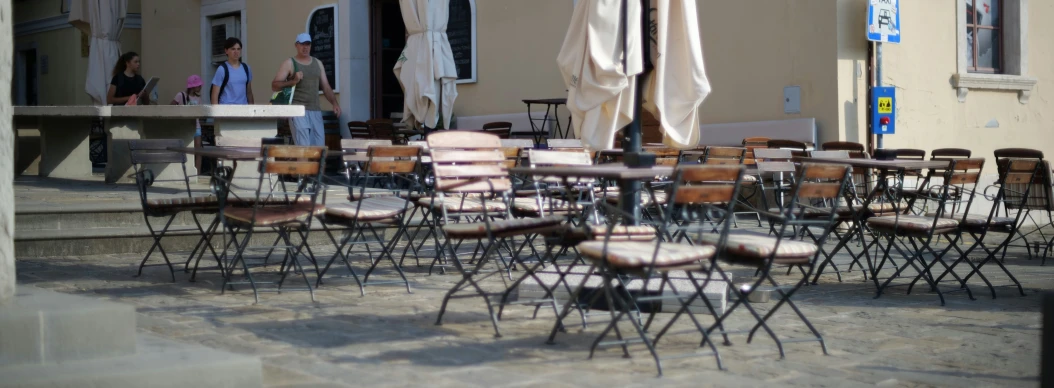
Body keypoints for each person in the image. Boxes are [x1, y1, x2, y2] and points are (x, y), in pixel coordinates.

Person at [271, 32, 340, 146]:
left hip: (315, 110)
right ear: (296, 45)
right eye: (302, 44)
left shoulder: (318, 63)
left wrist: (335, 103)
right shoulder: (289, 63)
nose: (305, 47)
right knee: (303, 149)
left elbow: (326, 87)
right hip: (297, 110)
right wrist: (293, 81)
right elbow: (274, 85)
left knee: (318, 149)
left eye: (308, 44)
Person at [210, 37, 254, 105]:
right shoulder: (222, 69)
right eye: (233, 49)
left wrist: (252, 111)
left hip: (243, 110)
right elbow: (214, 96)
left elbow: (249, 92)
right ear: (226, 51)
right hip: (226, 110)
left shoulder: (246, 68)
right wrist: (217, 114)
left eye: (238, 49)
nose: (236, 52)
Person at [171, 75, 205, 151]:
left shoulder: (198, 98)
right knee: (185, 149)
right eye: (199, 85)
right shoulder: (180, 95)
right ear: (193, 86)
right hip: (184, 125)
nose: (200, 87)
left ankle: (198, 163)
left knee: (198, 151)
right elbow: (170, 108)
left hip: (196, 126)